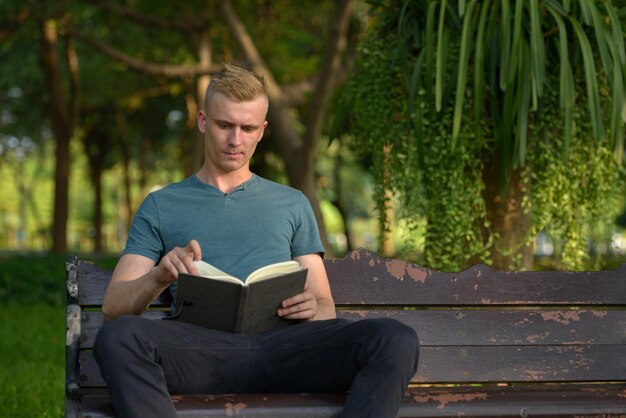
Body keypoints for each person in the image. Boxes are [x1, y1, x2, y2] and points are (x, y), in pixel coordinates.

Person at [94, 64, 419, 418]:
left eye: (248, 128)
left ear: (262, 130)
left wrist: (313, 308)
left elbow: (326, 307)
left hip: (285, 350)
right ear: (203, 121)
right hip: (202, 354)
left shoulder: (292, 202)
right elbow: (114, 307)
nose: (236, 140)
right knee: (119, 338)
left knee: (394, 339)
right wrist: (159, 276)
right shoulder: (161, 205)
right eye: (224, 125)